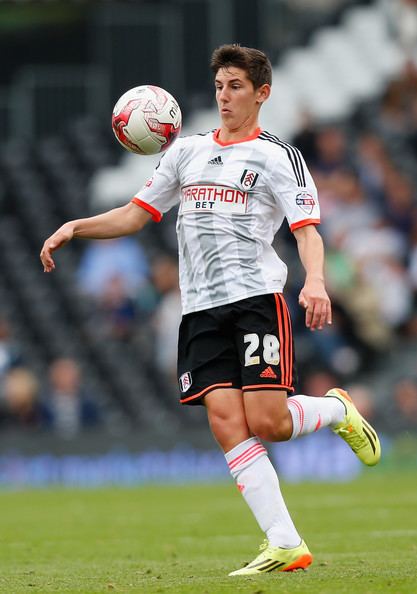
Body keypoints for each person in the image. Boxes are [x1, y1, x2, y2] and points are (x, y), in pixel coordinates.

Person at [40, 44, 381, 576]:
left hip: (255, 302)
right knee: (226, 422)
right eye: (220, 86)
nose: (224, 96)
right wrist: (75, 227)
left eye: (236, 87)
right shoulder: (186, 152)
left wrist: (315, 281)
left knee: (267, 421)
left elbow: (307, 231)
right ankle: (286, 543)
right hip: (199, 309)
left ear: (262, 93)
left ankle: (337, 409)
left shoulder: (277, 156)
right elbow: (135, 214)